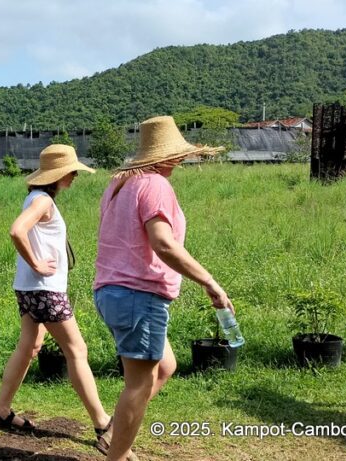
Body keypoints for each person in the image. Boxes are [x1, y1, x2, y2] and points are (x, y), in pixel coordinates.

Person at [94, 116, 234, 461]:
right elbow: (164, 244)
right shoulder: (155, 184)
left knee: (165, 366)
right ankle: (116, 453)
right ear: (168, 155)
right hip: (138, 296)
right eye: (179, 155)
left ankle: (116, 434)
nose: (182, 160)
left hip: (112, 291)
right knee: (138, 386)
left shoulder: (119, 183)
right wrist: (209, 281)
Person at [0, 144, 129, 456]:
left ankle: (2, 409)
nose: (76, 176)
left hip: (28, 289)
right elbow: (17, 231)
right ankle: (102, 424)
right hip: (45, 289)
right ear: (57, 175)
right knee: (77, 350)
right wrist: (37, 264)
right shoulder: (42, 201)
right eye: (72, 171)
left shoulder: (36, 197)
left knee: (29, 345)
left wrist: (33, 267)